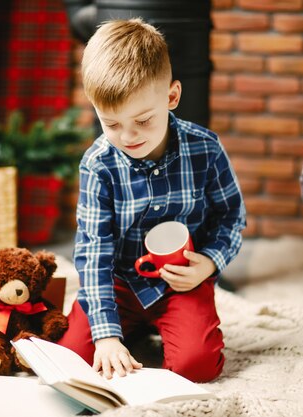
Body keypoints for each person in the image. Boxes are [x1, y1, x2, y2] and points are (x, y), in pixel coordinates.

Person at [57, 18, 246, 383]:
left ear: (172, 97)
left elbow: (231, 218)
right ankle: (127, 331)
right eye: (111, 124)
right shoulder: (98, 165)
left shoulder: (205, 149)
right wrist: (107, 336)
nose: (128, 136)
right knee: (72, 360)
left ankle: (157, 328)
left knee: (197, 366)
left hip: (182, 284)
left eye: (143, 120)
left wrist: (208, 264)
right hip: (118, 284)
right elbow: (93, 251)